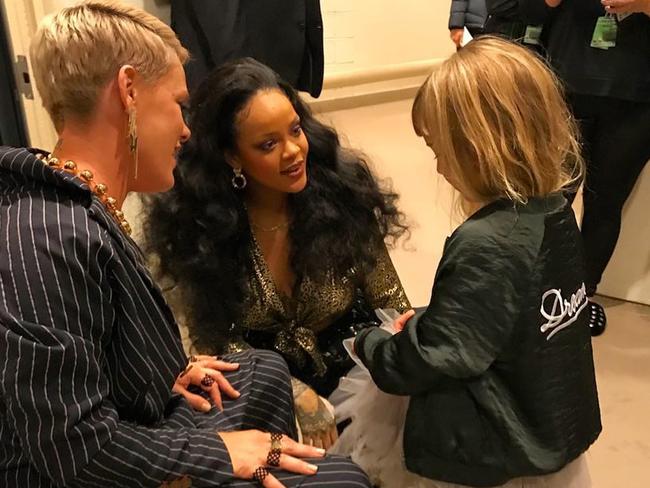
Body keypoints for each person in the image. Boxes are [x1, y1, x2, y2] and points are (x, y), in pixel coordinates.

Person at [0, 2, 371, 487]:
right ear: (129, 91)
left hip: (130, 431)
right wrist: (219, 453)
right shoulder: (44, 237)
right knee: (343, 478)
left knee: (262, 371)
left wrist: (168, 370)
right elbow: (74, 447)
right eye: (178, 104)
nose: (186, 130)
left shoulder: (77, 210)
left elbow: (88, 365)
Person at [345, 37, 602, 487]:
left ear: (480, 147)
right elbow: (504, 316)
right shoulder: (556, 212)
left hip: (493, 454)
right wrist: (433, 318)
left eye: (440, 148)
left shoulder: (488, 242)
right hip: (551, 425)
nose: (440, 165)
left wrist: (374, 346)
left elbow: (439, 356)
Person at [143, 57, 411, 450]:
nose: (293, 151)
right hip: (266, 407)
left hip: (366, 393)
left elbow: (392, 305)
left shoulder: (344, 196)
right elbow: (213, 342)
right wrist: (292, 390)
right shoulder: (201, 229)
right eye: (268, 144)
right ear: (232, 157)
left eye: (295, 130)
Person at [518, 0, 650, 336]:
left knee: (606, 202)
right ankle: (534, 288)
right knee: (547, 196)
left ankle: (581, 295)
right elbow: (526, 11)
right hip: (564, 85)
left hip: (638, 96)